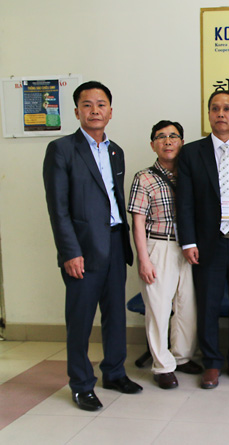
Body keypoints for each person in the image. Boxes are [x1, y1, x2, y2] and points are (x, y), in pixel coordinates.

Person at [43, 81, 142, 411]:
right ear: (77, 112)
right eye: (87, 105)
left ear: (110, 112)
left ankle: (114, 372)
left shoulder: (116, 151)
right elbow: (58, 208)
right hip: (83, 249)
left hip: (115, 242)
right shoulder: (61, 149)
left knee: (115, 314)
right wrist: (69, 251)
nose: (95, 110)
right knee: (81, 320)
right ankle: (81, 384)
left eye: (101, 104)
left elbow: (113, 198)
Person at [177, 90, 229, 389]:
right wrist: (188, 241)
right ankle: (211, 362)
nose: (221, 114)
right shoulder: (191, 153)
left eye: (227, 109)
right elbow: (184, 201)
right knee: (208, 305)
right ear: (209, 114)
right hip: (206, 242)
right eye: (215, 108)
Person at [128, 120, 203, 390]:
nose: (168, 141)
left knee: (188, 307)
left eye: (173, 136)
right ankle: (162, 365)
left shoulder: (190, 174)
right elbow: (137, 222)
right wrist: (143, 259)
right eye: (161, 137)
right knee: (159, 309)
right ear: (153, 145)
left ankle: (181, 356)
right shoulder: (143, 178)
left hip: (188, 247)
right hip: (159, 247)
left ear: (182, 142)